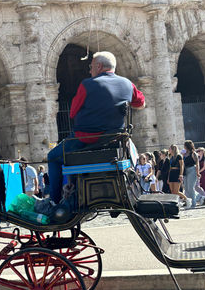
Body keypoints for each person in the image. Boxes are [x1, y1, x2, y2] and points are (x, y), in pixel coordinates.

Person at [47, 51, 145, 204]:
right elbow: (141, 104)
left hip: (86, 139)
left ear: (99, 66)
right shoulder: (127, 83)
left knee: (52, 157)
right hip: (114, 140)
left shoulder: (88, 84)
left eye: (91, 66)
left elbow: (72, 113)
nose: (89, 70)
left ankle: (53, 201)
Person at [182, 140, 199, 209]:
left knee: (190, 187)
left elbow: (197, 163)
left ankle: (193, 202)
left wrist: (197, 172)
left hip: (192, 169)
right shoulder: (184, 154)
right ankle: (189, 201)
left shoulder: (193, 153)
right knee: (186, 187)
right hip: (185, 170)